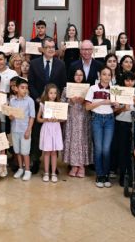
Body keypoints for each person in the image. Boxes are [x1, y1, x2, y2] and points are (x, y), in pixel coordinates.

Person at [28, 37, 67, 173]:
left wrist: (57, 103)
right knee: (37, 134)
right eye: (48, 47)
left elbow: (62, 85)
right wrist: (38, 99)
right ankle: (35, 161)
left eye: (53, 47)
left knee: (52, 135)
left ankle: (52, 166)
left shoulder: (61, 65)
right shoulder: (33, 64)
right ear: (42, 49)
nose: (51, 49)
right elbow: (31, 84)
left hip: (54, 107)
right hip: (38, 104)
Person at [85, 66, 118, 188]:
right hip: (97, 119)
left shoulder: (114, 90)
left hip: (109, 119)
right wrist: (102, 102)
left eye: (109, 75)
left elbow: (116, 109)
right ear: (100, 75)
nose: (106, 77)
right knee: (98, 148)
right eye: (104, 74)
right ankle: (99, 175)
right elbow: (87, 107)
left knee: (106, 149)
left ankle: (106, 174)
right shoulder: (93, 88)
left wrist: (117, 105)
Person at [61, 68, 92, 178]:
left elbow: (91, 103)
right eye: (76, 74)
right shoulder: (67, 88)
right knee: (73, 140)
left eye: (80, 75)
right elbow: (61, 103)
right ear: (73, 76)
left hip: (83, 117)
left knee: (82, 140)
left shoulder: (88, 89)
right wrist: (70, 101)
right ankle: (74, 165)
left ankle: (82, 165)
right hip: (71, 118)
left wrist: (84, 101)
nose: (78, 77)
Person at [113, 71, 135, 186]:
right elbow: (113, 112)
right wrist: (123, 108)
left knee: (132, 150)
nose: (129, 83)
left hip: (134, 124)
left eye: (132, 80)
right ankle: (123, 175)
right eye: (127, 80)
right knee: (122, 150)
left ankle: (131, 174)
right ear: (123, 81)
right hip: (121, 123)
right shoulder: (118, 92)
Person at [37, 84, 65, 183]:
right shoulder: (43, 104)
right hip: (47, 128)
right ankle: (46, 172)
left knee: (54, 152)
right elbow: (38, 118)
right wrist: (45, 119)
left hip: (56, 128)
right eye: (51, 93)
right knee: (47, 152)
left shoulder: (59, 104)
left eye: (55, 93)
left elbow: (63, 119)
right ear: (47, 93)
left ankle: (53, 173)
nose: (53, 95)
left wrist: (58, 119)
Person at [9, 77, 36, 181]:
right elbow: (11, 117)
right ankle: (20, 168)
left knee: (25, 151)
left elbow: (32, 116)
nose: (25, 90)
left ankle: (27, 170)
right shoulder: (12, 101)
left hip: (25, 130)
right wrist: (10, 116)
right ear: (16, 88)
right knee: (17, 151)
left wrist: (28, 130)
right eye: (22, 87)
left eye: (26, 88)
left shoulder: (30, 101)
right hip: (15, 129)